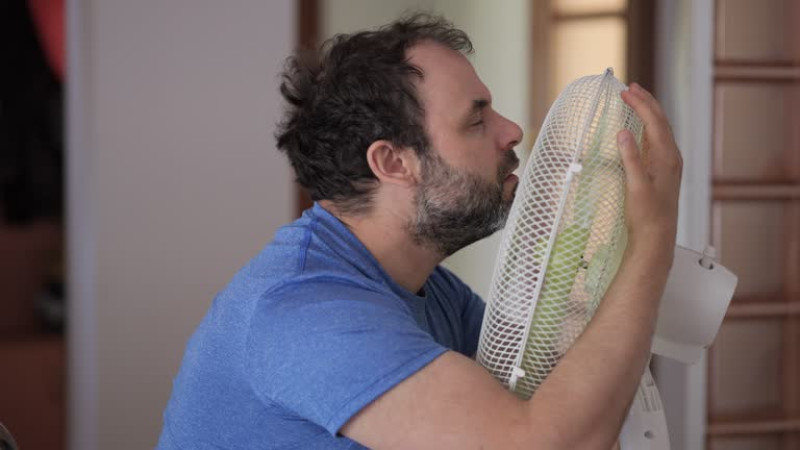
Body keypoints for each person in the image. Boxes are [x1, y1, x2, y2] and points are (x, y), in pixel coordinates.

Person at [157, 13, 682, 449]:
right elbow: (542, 440)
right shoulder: (305, 311)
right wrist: (651, 241)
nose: (513, 132)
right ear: (393, 162)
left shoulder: (428, 290)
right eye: (476, 121)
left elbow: (547, 382)